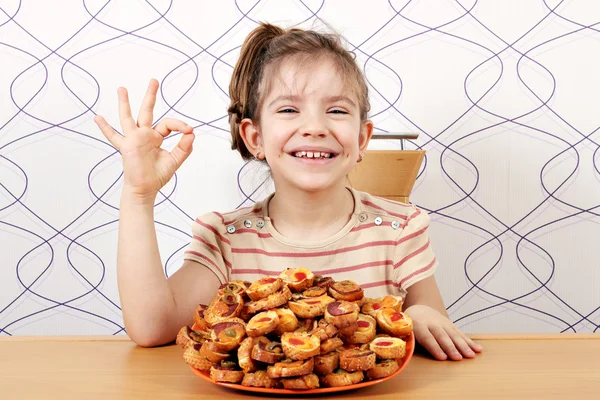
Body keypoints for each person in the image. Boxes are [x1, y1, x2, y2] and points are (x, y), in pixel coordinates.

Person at [94, 23, 482, 361]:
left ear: (362, 139)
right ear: (255, 137)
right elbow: (150, 328)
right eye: (289, 110)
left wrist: (426, 316)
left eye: (337, 110)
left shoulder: (400, 230)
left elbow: (430, 324)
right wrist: (139, 194)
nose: (314, 126)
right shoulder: (228, 239)